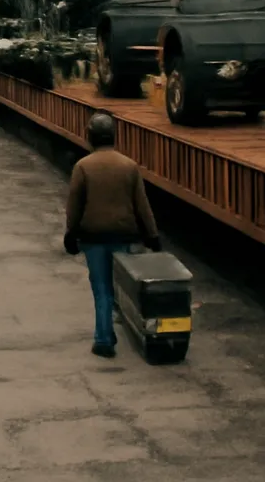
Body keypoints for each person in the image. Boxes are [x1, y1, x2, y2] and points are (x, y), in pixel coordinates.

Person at [64, 112, 162, 359]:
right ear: (113, 136)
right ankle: (125, 330)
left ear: (90, 136)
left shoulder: (83, 167)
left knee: (101, 288)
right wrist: (152, 235)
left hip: (93, 238)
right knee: (121, 288)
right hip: (124, 236)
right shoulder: (128, 166)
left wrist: (70, 233)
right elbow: (142, 205)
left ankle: (104, 339)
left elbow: (74, 205)